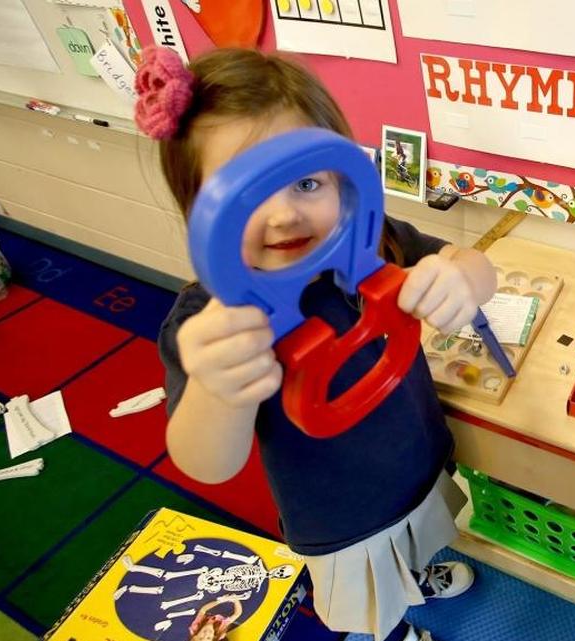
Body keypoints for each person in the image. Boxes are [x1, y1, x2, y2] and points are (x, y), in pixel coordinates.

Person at [135, 46, 496, 641]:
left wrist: (463, 273)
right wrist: (219, 387)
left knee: (421, 538)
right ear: (197, 208)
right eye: (246, 193)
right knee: (373, 602)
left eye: (306, 181)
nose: (284, 215)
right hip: (340, 517)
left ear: (342, 179)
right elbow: (207, 463)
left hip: (421, 462)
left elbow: (471, 264)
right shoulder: (210, 322)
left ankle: (419, 573)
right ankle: (389, 630)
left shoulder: (371, 241)